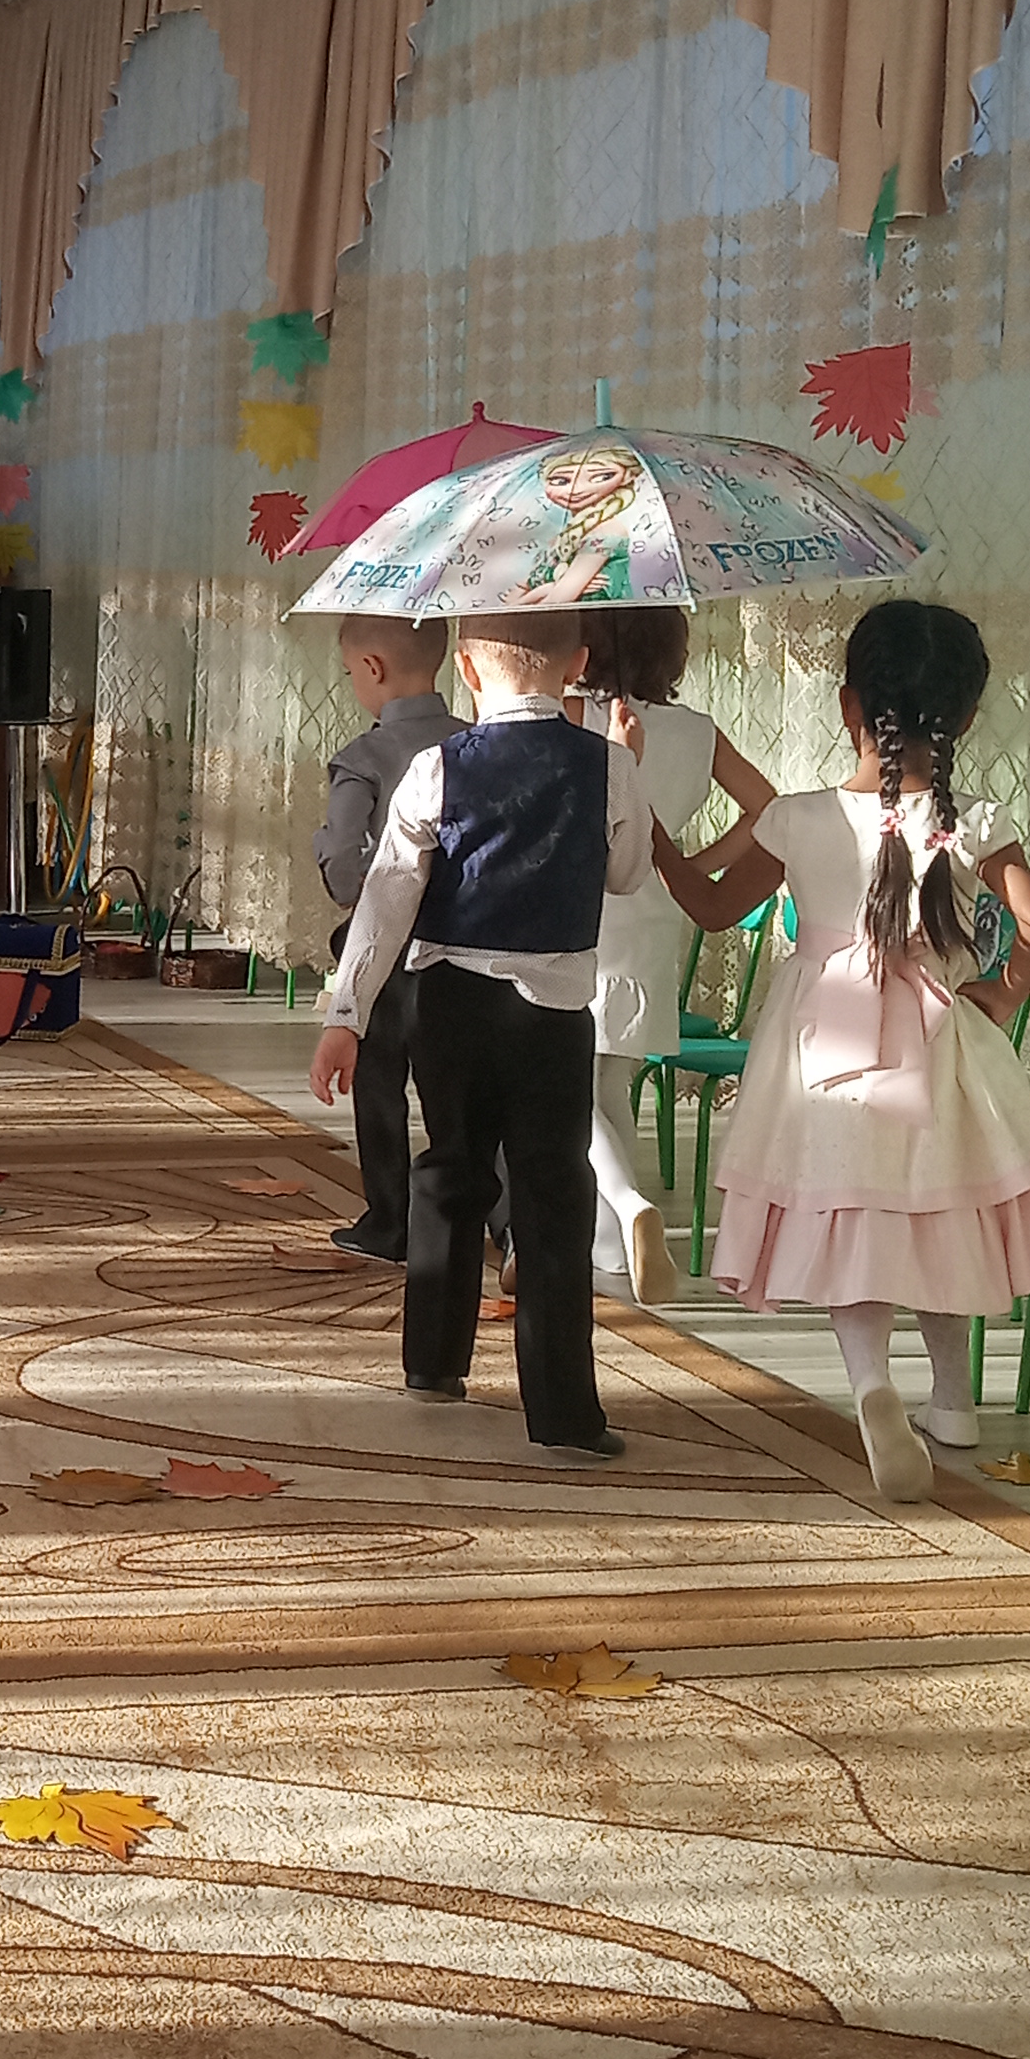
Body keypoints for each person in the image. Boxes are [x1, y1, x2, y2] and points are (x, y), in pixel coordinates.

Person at [660, 596, 1030, 1503]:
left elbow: (710, 905)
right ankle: (955, 1402)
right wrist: (1005, 990)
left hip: (823, 1053)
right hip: (940, 1045)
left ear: (848, 705)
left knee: (850, 1209)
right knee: (936, 1212)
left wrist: (655, 838)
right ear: (968, 715)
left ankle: (869, 1386)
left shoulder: (799, 817)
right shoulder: (973, 820)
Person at [309, 612, 651, 1461]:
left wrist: (347, 1016)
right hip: (554, 1012)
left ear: (466, 667)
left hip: (449, 1003)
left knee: (450, 1169)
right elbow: (627, 874)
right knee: (553, 1194)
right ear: (578, 664)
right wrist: (627, 766)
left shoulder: (435, 766)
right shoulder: (606, 764)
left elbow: (386, 902)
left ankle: (432, 1362)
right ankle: (564, 1413)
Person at [570, 606, 776, 1303]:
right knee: (613, 1085)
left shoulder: (576, 714)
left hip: (583, 909)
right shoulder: (698, 731)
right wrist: (689, 864)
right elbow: (765, 807)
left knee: (567, 1089)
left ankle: (625, 1207)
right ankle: (609, 1245)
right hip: (653, 914)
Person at [313, 615, 458, 1262]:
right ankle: (491, 1221)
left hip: (384, 951)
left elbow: (346, 876)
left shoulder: (363, 759)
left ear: (372, 669)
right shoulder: (473, 744)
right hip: (460, 949)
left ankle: (389, 1223)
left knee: (379, 1087)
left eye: (350, 672)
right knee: (457, 1090)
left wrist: (322, 846)